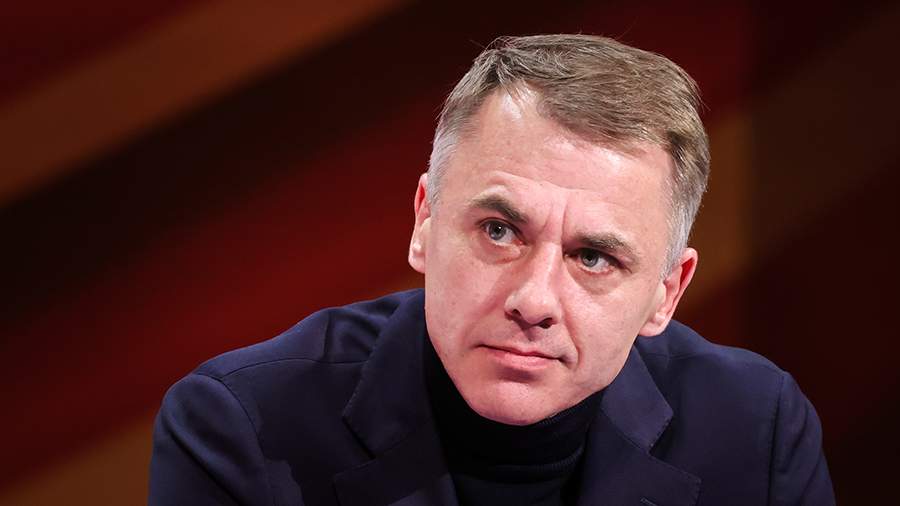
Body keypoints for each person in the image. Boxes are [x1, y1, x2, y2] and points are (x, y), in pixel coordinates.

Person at [149, 34, 834, 505]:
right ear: (424, 222)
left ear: (666, 293)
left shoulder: (757, 431)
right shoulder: (243, 426)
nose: (533, 300)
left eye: (593, 257)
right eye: (500, 231)